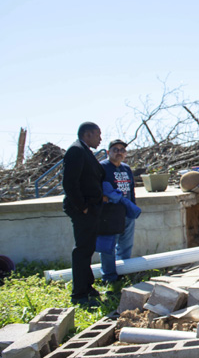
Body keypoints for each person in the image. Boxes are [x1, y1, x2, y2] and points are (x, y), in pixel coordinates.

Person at [62, 122, 104, 306]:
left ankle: (87, 286)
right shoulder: (76, 151)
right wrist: (83, 207)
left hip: (91, 208)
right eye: (98, 135)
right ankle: (79, 293)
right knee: (82, 250)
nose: (100, 139)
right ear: (87, 135)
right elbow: (70, 183)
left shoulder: (85, 150)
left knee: (88, 249)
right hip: (83, 209)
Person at [99, 139, 139, 283]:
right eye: (115, 149)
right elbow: (96, 188)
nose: (119, 152)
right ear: (109, 152)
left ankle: (122, 271)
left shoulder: (126, 168)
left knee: (126, 244)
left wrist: (133, 207)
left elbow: (131, 189)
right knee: (108, 246)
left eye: (122, 150)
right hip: (110, 213)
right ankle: (109, 276)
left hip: (127, 211)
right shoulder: (102, 167)